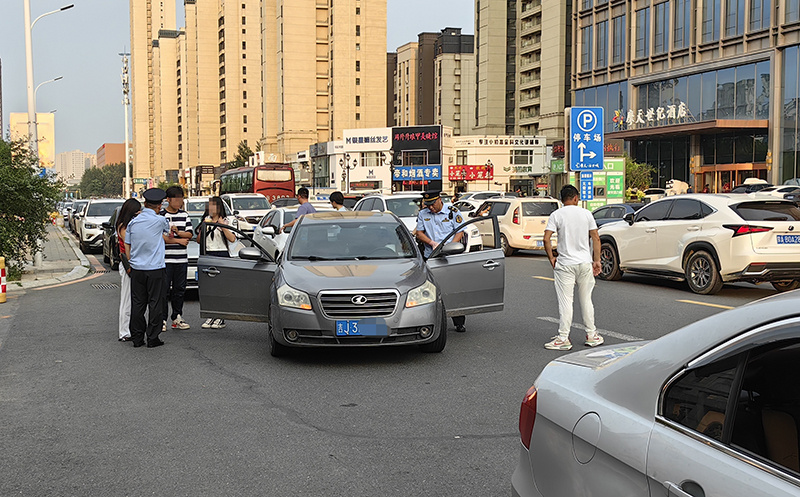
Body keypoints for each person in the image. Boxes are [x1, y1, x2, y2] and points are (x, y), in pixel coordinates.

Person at [542, 185, 603, 351]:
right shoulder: (586, 214)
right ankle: (592, 335)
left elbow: (546, 239)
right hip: (584, 263)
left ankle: (563, 337)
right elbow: (596, 238)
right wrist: (596, 260)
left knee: (566, 301)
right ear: (576, 198)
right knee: (586, 300)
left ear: (562, 199)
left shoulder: (556, 215)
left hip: (565, 264)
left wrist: (551, 258)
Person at [125, 188, 172, 348]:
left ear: (145, 203)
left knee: (138, 304)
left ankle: (137, 338)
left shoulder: (133, 222)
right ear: (160, 205)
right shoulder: (160, 220)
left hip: (137, 269)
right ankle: (153, 338)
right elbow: (168, 231)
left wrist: (132, 262)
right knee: (155, 303)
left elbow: (127, 244)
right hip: (155, 268)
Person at [415, 190, 467, 333]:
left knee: (454, 288)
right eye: (428, 205)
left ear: (439, 200)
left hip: (450, 256)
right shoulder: (423, 214)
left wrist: (449, 247)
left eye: (433, 204)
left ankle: (459, 322)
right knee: (431, 290)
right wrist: (431, 243)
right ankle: (431, 320)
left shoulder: (452, 211)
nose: (431, 208)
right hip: (430, 256)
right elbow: (419, 233)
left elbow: (460, 231)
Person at [160, 186, 193, 331]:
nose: (179, 201)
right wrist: (179, 240)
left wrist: (178, 232)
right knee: (164, 290)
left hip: (181, 260)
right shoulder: (161, 216)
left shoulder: (184, 215)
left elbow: (189, 234)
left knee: (179, 289)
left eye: (181, 198)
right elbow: (161, 238)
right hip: (165, 260)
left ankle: (177, 317)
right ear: (168, 199)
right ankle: (161, 319)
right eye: (176, 198)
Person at [201, 196, 236, 329]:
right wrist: (204, 225)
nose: (211, 208)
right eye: (209, 205)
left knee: (221, 287)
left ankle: (221, 317)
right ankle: (211, 315)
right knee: (209, 287)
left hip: (221, 253)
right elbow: (199, 240)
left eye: (213, 205)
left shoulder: (226, 221)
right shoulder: (205, 221)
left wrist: (222, 226)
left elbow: (232, 239)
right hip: (208, 253)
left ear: (219, 207)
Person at [116, 198, 141, 342]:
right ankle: (124, 331)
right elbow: (129, 247)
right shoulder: (124, 227)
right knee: (127, 299)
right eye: (137, 211)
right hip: (127, 264)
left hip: (131, 264)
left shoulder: (127, 225)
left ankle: (129, 329)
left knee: (133, 299)